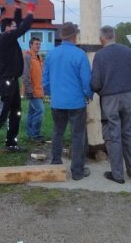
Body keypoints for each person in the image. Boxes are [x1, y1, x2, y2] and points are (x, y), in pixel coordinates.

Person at [91, 25, 131, 184]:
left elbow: (95, 83)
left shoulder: (100, 56)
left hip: (110, 99)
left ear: (101, 39)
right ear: (114, 36)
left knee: (112, 135)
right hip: (129, 96)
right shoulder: (128, 52)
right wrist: (130, 85)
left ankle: (117, 175)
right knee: (130, 132)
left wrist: (104, 89)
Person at [0, 0, 35, 160]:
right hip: (5, 83)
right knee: (0, 116)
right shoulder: (5, 38)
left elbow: (18, 25)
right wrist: (30, 12)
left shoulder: (9, 37)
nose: (15, 28)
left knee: (16, 113)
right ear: (7, 28)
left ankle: (11, 142)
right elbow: (23, 27)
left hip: (13, 82)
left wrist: (18, 7)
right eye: (12, 26)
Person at [43, 22, 93, 181]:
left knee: (57, 132)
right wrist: (88, 95)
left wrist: (52, 94)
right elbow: (86, 80)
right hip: (76, 103)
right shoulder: (79, 54)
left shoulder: (51, 54)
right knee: (77, 136)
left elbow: (45, 81)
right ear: (74, 36)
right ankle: (77, 172)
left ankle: (56, 165)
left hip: (57, 102)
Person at [22, 37, 45, 143]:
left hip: (38, 90)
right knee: (40, 111)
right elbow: (26, 75)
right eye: (36, 44)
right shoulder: (27, 56)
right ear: (30, 45)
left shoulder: (39, 57)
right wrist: (29, 90)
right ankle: (35, 134)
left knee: (32, 112)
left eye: (39, 44)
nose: (38, 46)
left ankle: (30, 134)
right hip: (32, 90)